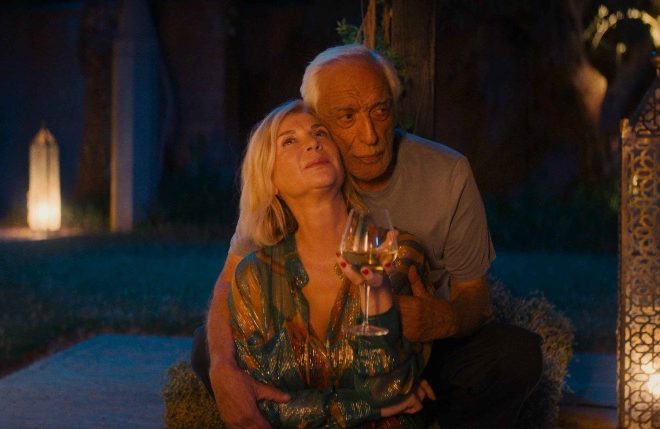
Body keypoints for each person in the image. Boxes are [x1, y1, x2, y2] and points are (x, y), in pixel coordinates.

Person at [192, 44, 543, 428]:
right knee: (207, 350)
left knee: (513, 354)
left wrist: (440, 320)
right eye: (346, 117)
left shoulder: (447, 176)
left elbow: (475, 298)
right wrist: (223, 367)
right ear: (318, 114)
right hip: (324, 359)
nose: (371, 135)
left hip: (420, 345)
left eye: (381, 111)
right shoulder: (301, 179)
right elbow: (229, 283)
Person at [228, 99, 434, 428]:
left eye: (320, 133)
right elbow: (266, 406)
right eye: (289, 141)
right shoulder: (254, 275)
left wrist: (378, 293)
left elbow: (390, 389)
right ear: (270, 179)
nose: (312, 143)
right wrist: (370, 410)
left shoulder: (396, 252)